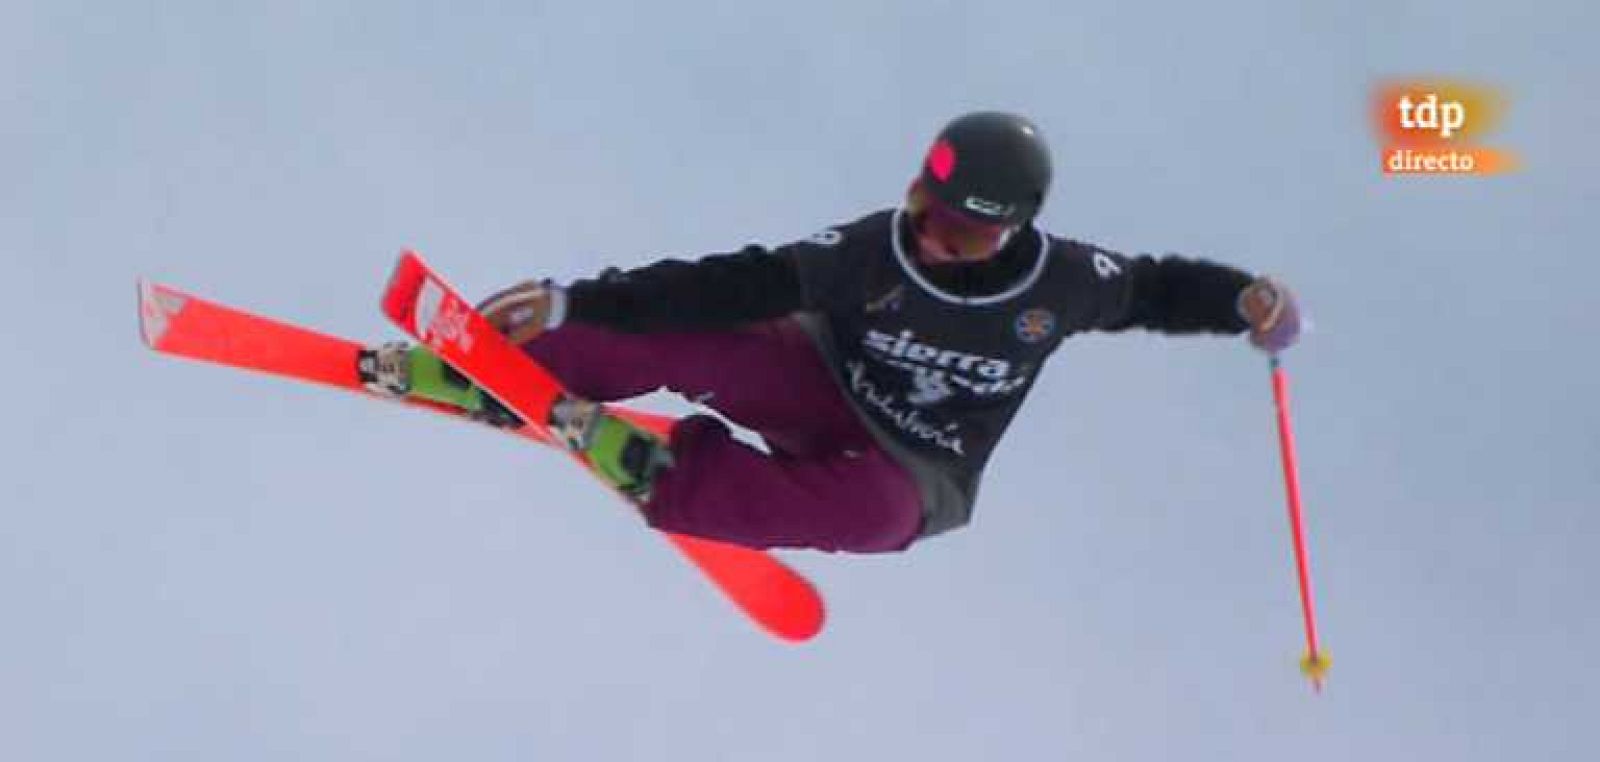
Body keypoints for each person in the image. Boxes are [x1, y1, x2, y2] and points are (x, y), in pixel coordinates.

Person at [361, 110, 1303, 554]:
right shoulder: (873, 253)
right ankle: (510, 369)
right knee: (709, 335)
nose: (930, 237)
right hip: (818, 377)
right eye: (923, 206)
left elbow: (1155, 289)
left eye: (961, 231)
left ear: (1007, 231)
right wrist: (572, 302)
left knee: (880, 521)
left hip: (913, 464)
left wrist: (1245, 300)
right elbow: (735, 282)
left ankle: (675, 477)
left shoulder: (1062, 285)